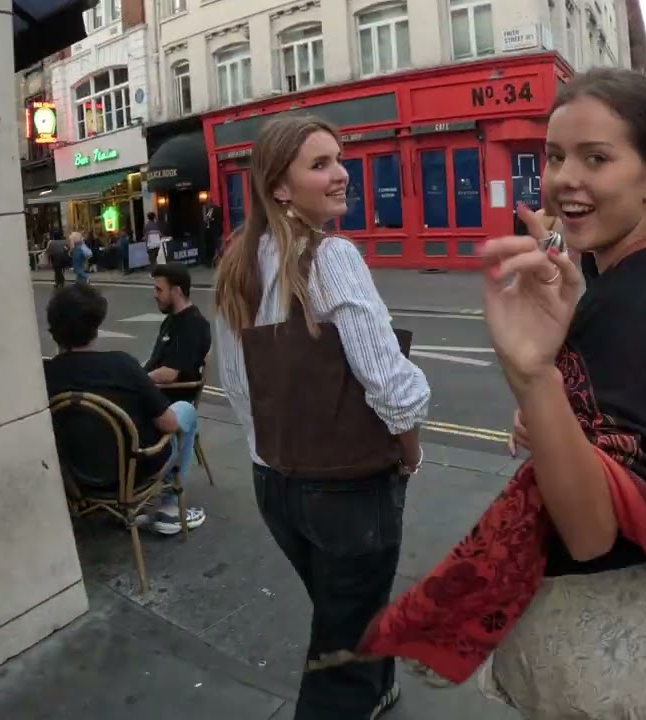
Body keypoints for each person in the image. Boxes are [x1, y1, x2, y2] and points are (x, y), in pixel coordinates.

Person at [333, 68, 646, 719]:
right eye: (557, 155)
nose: (566, 177)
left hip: (603, 624)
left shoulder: (634, 304)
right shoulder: (643, 274)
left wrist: (533, 375)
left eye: (597, 157)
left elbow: (594, 529)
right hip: (645, 608)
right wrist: (551, 415)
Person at [213, 114, 430, 719]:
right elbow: (390, 384)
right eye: (320, 164)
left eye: (338, 158)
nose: (341, 174)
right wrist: (409, 448)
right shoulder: (332, 256)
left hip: (274, 485)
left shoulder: (238, 262)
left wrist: (269, 456)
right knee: (339, 648)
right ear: (279, 188)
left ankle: (379, 686)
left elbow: (236, 383)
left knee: (345, 612)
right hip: (347, 489)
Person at [44, 284, 207, 535]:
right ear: (96, 326)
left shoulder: (47, 375)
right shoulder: (122, 365)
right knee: (184, 411)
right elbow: (168, 425)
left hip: (78, 476)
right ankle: (170, 508)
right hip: (136, 472)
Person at [145, 263, 211, 384]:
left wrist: (137, 380)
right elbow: (155, 361)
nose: (155, 295)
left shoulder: (193, 325)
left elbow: (170, 374)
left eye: (159, 290)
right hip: (151, 391)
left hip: (168, 397)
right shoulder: (170, 320)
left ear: (177, 291)